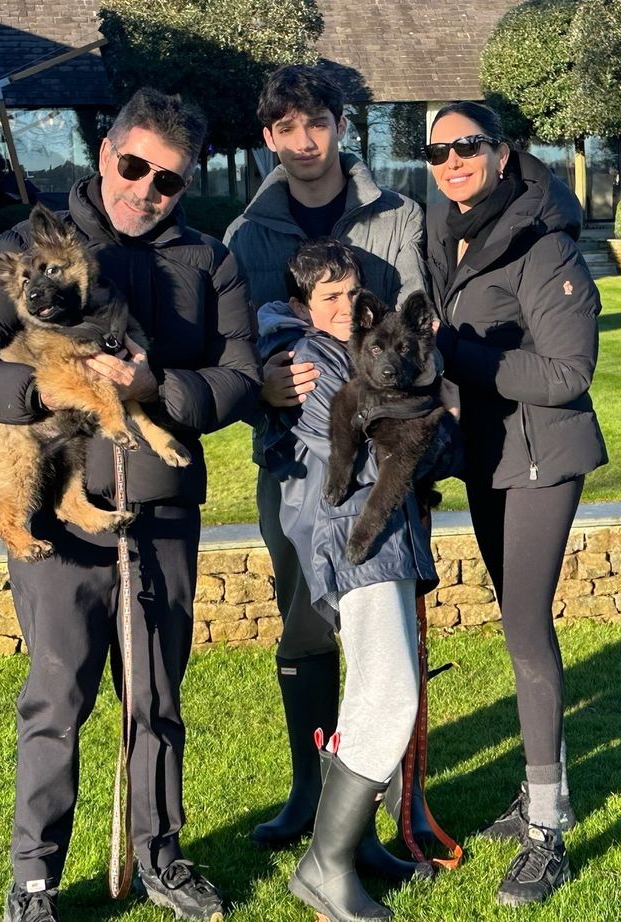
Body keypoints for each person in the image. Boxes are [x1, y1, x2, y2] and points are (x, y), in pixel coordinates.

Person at [0, 88, 261, 922]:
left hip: (161, 515)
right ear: (105, 150)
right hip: (60, 522)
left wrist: (164, 388)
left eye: (168, 181)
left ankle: (160, 857)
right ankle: (34, 879)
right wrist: (35, 392)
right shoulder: (22, 250)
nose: (145, 189)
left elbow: (241, 377)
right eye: (133, 165)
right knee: (55, 700)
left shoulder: (209, 259)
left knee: (155, 700)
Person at [223, 62, 431, 853]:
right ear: (269, 136)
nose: (304, 142)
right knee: (306, 626)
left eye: (317, 124)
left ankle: (383, 807)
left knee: (381, 633)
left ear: (340, 127)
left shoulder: (396, 216)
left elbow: (415, 333)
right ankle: (308, 790)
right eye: (285, 129)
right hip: (289, 466)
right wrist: (263, 386)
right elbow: (233, 350)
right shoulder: (248, 236)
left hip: (379, 464)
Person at [424, 101, 607, 907]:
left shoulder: (543, 241)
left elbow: (568, 375)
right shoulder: (450, 232)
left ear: (502, 152)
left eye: (468, 145)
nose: (454, 160)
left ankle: (548, 831)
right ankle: (535, 794)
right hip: (492, 461)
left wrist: (453, 352)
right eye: (438, 150)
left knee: (528, 631)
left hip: (543, 457)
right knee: (516, 623)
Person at [257, 238, 460, 922]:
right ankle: (324, 869)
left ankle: (359, 845)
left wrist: (428, 430)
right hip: (356, 546)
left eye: (352, 294)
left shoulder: (369, 353)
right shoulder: (311, 362)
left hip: (387, 542)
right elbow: (375, 461)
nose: (346, 310)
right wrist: (434, 426)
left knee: (370, 697)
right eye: (329, 298)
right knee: (391, 693)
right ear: (302, 308)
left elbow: (422, 445)